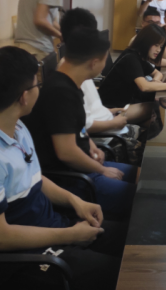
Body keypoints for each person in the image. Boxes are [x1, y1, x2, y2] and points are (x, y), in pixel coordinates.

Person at [0, 47, 126, 290]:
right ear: (24, 97)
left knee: (130, 238)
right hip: (22, 260)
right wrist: (71, 235)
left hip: (52, 227)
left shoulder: (16, 126)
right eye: (37, 84)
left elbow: (35, 178)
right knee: (125, 274)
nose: (39, 90)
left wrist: (76, 201)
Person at [23, 28, 137, 220]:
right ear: (94, 62)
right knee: (144, 198)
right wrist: (101, 170)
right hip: (72, 179)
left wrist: (90, 144)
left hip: (85, 166)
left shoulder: (70, 84)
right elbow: (66, 153)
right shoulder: (61, 93)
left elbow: (76, 125)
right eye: (104, 60)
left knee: (141, 175)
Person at [60, 8, 160, 165]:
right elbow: (80, 126)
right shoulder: (70, 76)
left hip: (110, 122)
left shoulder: (78, 68)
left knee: (154, 129)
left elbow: (86, 114)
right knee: (151, 144)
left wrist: (110, 113)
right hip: (109, 136)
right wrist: (113, 122)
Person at [99, 24, 166, 109]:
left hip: (123, 101)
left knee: (152, 108)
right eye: (156, 45)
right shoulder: (131, 57)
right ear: (146, 42)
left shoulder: (139, 56)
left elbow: (158, 73)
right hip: (109, 106)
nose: (158, 50)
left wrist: (155, 81)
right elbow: (144, 86)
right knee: (151, 109)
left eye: (160, 47)